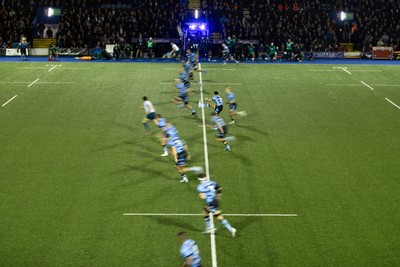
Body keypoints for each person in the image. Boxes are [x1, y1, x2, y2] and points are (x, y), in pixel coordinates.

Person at [197, 173, 237, 238]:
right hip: (215, 201)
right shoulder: (212, 182)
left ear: (199, 179)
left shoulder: (200, 186)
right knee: (206, 212)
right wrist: (218, 197)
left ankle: (212, 228)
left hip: (210, 202)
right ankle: (230, 229)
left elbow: (203, 197)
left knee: (217, 216)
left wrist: (200, 195)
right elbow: (220, 188)